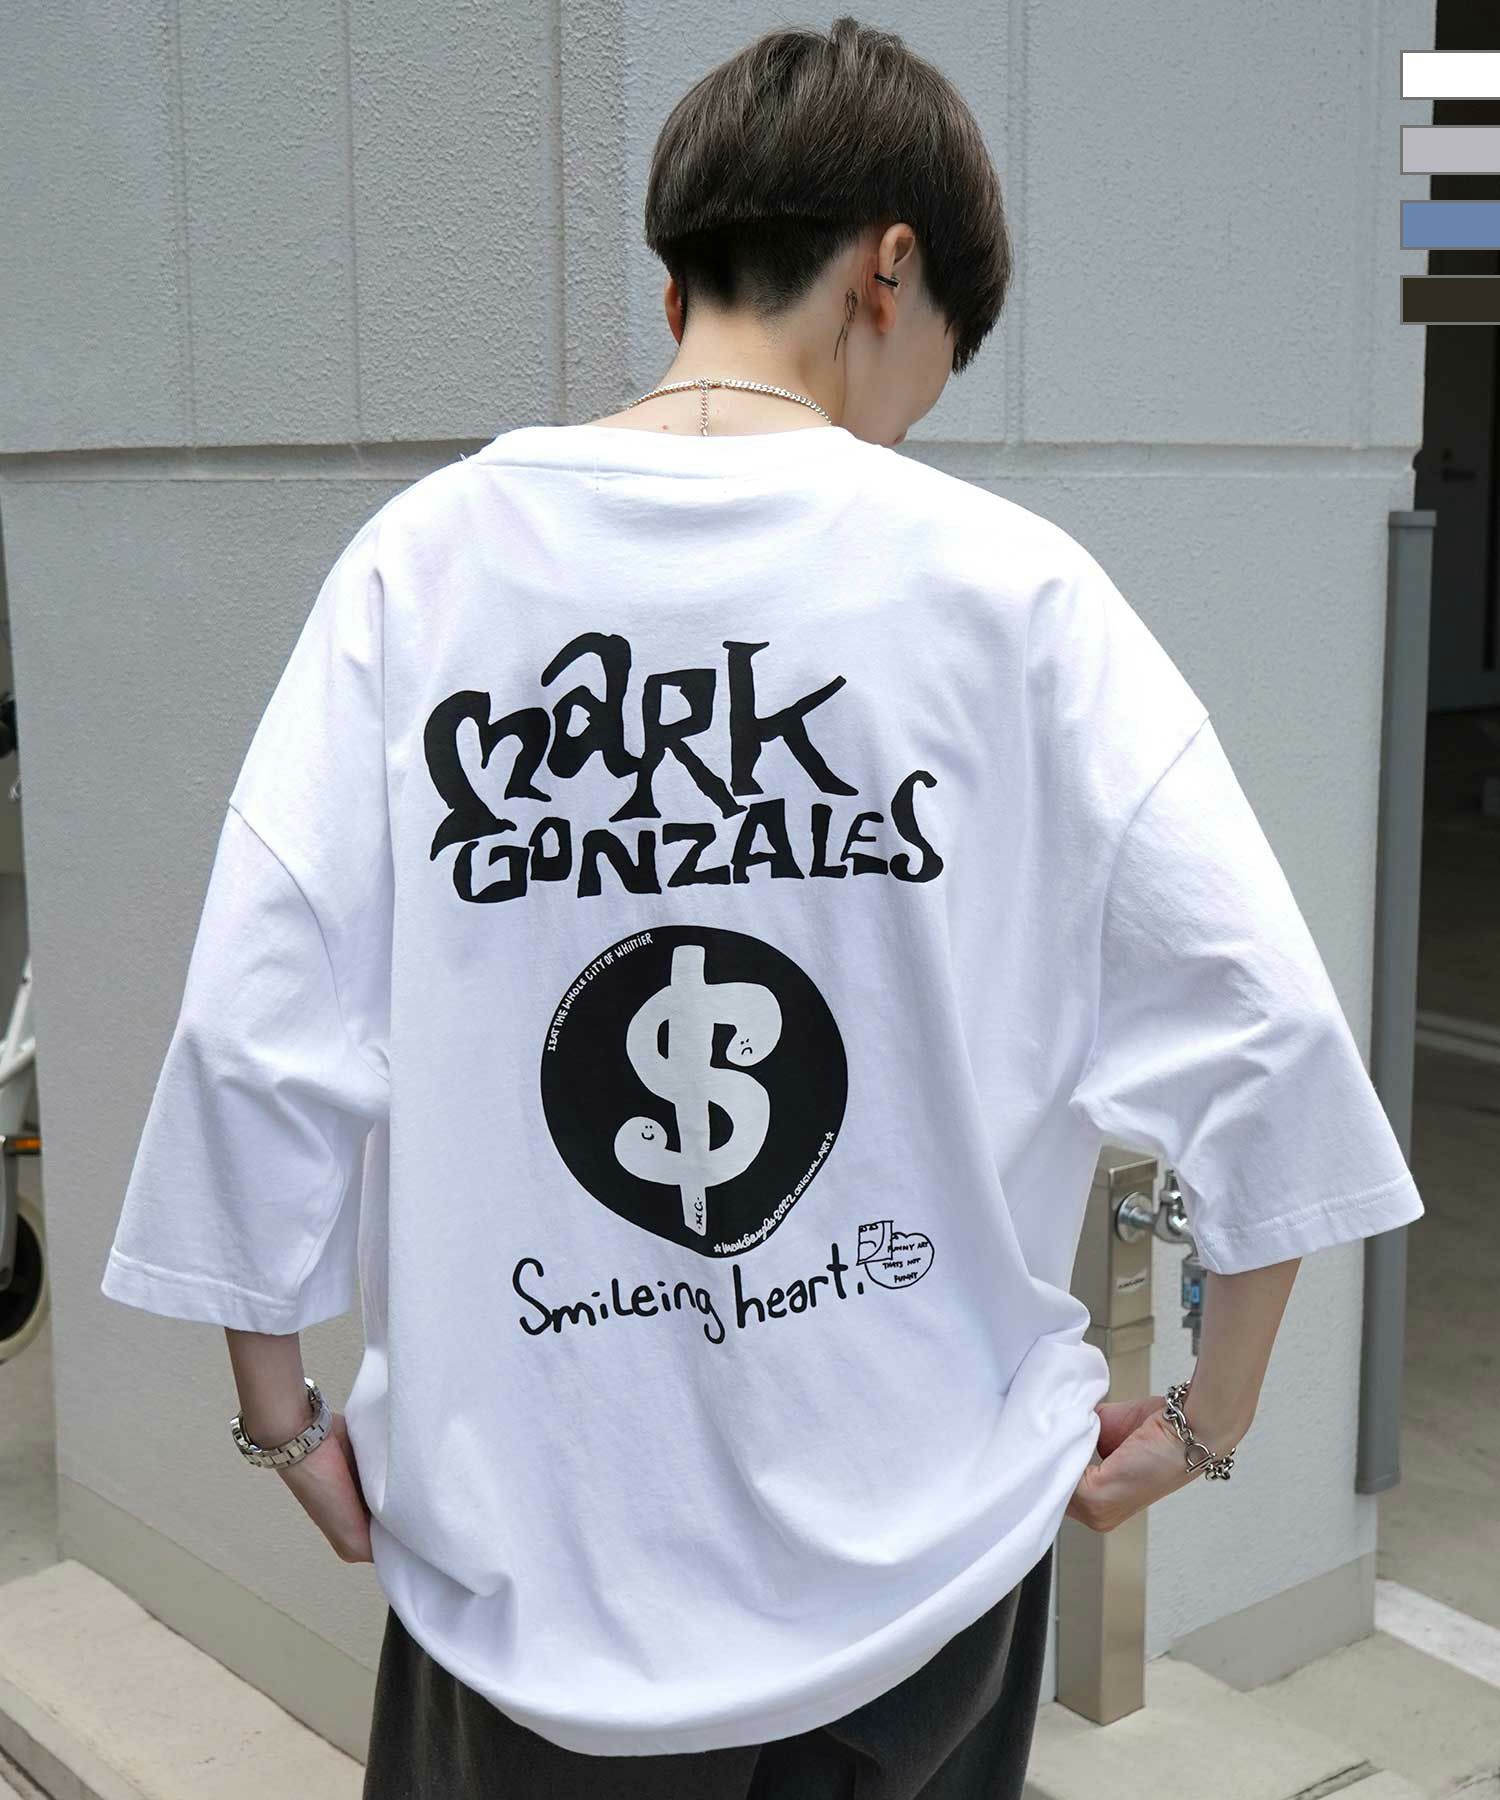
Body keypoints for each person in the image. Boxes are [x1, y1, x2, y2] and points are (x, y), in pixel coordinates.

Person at [99, 15, 1426, 1799]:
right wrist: (1211, 1413)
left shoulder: (424, 569)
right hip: (925, 1582)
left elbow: (256, 1027)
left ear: (677, 291)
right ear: (891, 272)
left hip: (531, 1584)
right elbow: (1263, 1024)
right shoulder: (1018, 597)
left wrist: (283, 1420)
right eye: (937, 362)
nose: (912, 420)